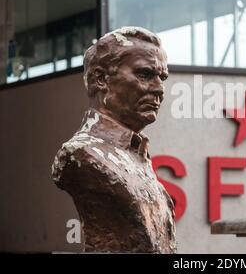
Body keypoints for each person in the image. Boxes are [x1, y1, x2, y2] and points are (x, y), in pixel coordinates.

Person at [52, 27, 176, 253]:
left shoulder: (137, 154)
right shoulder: (83, 154)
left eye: (162, 77)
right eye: (145, 74)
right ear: (101, 79)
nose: (159, 89)